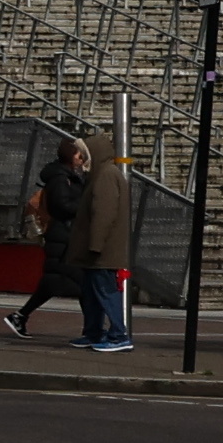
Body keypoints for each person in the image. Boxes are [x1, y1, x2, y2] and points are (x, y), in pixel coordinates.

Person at [3, 137, 89, 340]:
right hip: (62, 236)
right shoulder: (60, 178)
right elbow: (61, 206)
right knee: (82, 282)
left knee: (54, 281)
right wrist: (85, 207)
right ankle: (91, 330)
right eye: (78, 155)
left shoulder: (68, 176)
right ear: (70, 156)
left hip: (63, 236)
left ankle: (20, 316)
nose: (81, 158)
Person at [75, 141, 138, 352]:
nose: (80, 159)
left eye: (83, 155)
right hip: (98, 249)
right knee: (92, 293)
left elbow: (104, 213)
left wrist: (96, 244)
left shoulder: (105, 176)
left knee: (106, 291)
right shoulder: (102, 174)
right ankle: (93, 332)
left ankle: (118, 335)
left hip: (103, 250)